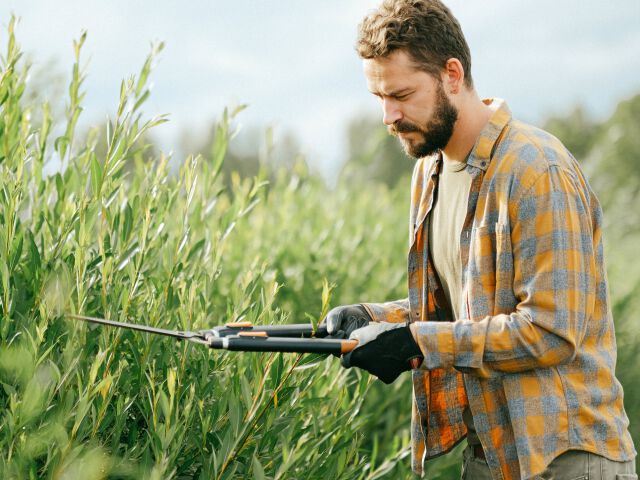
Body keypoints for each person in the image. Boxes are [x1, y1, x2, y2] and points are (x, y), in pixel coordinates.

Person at [321, 1, 637, 478]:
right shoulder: (428, 171)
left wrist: (417, 343)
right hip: (488, 459)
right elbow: (466, 309)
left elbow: (551, 333)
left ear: (452, 74)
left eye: (402, 94)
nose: (388, 115)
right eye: (379, 97)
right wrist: (375, 318)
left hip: (568, 462)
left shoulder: (536, 170)